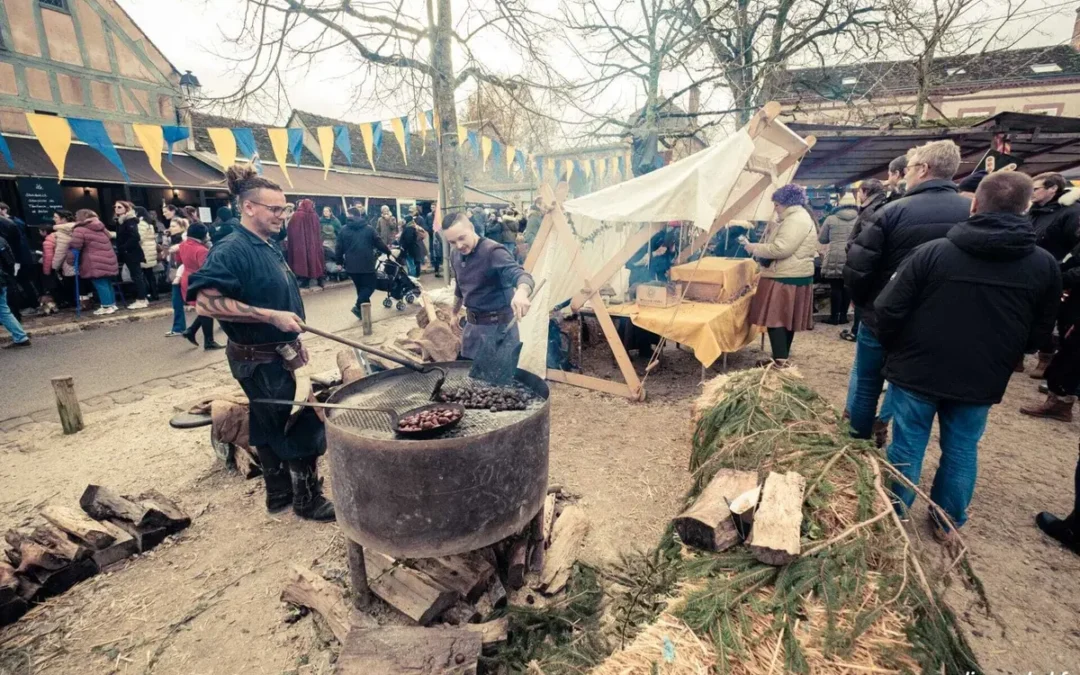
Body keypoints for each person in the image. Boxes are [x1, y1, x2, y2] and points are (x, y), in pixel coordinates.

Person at [873, 171, 1060, 539]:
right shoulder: (1044, 265)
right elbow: (1041, 331)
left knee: (908, 443)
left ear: (974, 204)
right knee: (961, 448)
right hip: (981, 375)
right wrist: (1007, 354)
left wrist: (896, 348)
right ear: (1026, 207)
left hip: (918, 369)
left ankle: (892, 518)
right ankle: (947, 522)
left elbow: (887, 309)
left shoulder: (932, 253)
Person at [187, 165, 334, 522]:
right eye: (274, 209)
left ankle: (279, 496)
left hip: (277, 353)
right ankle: (307, 500)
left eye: (283, 209)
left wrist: (293, 342)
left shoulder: (265, 244)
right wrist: (270, 316)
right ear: (248, 207)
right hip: (260, 359)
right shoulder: (231, 249)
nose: (281, 216)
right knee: (300, 423)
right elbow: (205, 302)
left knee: (268, 424)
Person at [843, 140, 972, 442]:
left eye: (910, 168)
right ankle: (882, 424)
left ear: (924, 169)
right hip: (940, 320)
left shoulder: (892, 211)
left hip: (882, 315)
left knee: (866, 383)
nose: (905, 175)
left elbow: (859, 267)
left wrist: (865, 306)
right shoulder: (973, 210)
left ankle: (855, 446)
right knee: (907, 387)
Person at [742, 184, 819, 366]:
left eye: (776, 204)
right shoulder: (799, 217)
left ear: (786, 203)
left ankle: (780, 361)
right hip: (794, 274)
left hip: (785, 276)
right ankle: (781, 358)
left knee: (775, 318)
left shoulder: (795, 220)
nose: (775, 209)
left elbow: (781, 248)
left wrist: (755, 248)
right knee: (786, 319)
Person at [444, 211, 535, 359]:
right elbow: (460, 287)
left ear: (472, 228)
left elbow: (522, 275)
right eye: (452, 242)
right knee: (467, 379)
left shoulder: (493, 252)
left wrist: (521, 292)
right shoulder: (455, 255)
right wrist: (454, 313)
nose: (459, 245)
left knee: (498, 382)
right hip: (472, 331)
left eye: (462, 238)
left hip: (499, 333)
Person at [840, 180, 888, 342]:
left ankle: (859, 332)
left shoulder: (870, 211)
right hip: (873, 262)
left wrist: (853, 247)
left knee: (862, 300)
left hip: (865, 263)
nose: (858, 196)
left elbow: (868, 240)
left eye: (859, 192)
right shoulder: (884, 205)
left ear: (865, 191)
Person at [336, 208, 391, 320]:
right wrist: (389, 252)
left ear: (350, 216)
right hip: (367, 264)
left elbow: (338, 247)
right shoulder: (369, 229)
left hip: (351, 266)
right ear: (359, 215)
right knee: (370, 286)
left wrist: (339, 262)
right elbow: (379, 243)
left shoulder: (343, 229)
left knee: (360, 288)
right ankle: (357, 307)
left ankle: (363, 314)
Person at [177, 223, 223, 350]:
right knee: (207, 308)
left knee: (205, 308)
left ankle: (191, 331)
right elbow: (206, 269)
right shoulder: (201, 250)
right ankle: (208, 341)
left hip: (188, 278)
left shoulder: (183, 245)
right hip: (199, 280)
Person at [68, 209, 120, 315]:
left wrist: (70, 260)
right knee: (107, 282)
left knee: (99, 283)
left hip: (93, 260)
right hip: (108, 257)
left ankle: (106, 306)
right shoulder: (101, 227)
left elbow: (75, 246)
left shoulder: (79, 230)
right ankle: (112, 304)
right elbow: (109, 236)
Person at [818, 192, 858, 325]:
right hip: (853, 255)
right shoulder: (860, 218)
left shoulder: (831, 219)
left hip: (834, 254)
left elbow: (822, 239)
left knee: (835, 287)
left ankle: (834, 317)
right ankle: (844, 317)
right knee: (847, 287)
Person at [0, 203, 37, 317]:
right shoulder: (15, 221)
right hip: (18, 257)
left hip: (16, 258)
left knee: (19, 283)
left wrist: (15, 260)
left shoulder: (10, 223)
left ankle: (30, 306)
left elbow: (15, 242)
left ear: (4, 210)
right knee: (22, 282)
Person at [113, 201, 149, 309]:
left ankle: (142, 299)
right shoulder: (121, 221)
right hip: (128, 252)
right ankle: (142, 298)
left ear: (126, 208)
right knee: (136, 275)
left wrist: (124, 247)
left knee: (137, 276)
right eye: (115, 207)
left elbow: (135, 237)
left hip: (131, 252)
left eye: (120, 207)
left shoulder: (129, 220)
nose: (116, 208)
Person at [285, 200, 326, 288]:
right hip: (313, 244)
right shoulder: (315, 215)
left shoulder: (297, 215)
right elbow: (318, 230)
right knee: (316, 259)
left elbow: (291, 229)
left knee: (302, 260)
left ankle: (305, 281)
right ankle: (320, 279)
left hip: (301, 244)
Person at [0, 232, 30, 348]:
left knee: (3, 310)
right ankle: (20, 336)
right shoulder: (2, 239)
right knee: (3, 310)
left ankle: (20, 336)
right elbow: (9, 261)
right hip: (2, 278)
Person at [165, 217, 189, 338]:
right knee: (177, 301)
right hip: (177, 273)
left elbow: (185, 261)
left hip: (183, 274)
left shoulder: (184, 241)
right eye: (170, 225)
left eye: (174, 226)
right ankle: (178, 327)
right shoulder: (172, 240)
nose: (171, 228)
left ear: (182, 227)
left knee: (200, 302)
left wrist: (179, 276)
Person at [50, 210, 78, 308]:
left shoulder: (61, 232)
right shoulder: (77, 228)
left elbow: (60, 252)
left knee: (71, 284)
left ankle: (75, 302)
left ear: (64, 219)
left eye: (56, 217)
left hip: (68, 262)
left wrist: (54, 267)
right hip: (79, 261)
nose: (53, 219)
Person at [134, 206, 161, 302]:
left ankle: (149, 293)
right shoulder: (149, 223)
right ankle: (155, 293)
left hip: (144, 250)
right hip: (150, 249)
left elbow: (139, 238)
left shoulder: (140, 223)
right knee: (150, 274)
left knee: (144, 275)